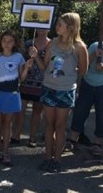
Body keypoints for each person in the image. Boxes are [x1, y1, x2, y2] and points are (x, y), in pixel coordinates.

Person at [32, 12, 88, 173]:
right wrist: (36, 56)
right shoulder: (52, 44)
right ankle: (47, 158)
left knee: (60, 126)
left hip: (66, 90)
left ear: (70, 28)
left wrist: (68, 72)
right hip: (49, 88)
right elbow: (44, 67)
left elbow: (83, 71)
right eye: (57, 24)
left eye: (59, 25)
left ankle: (57, 160)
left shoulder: (80, 47)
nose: (56, 27)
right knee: (49, 125)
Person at [0, 30, 29, 166]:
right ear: (1, 42)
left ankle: (6, 153)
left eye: (10, 41)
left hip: (12, 94)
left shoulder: (18, 57)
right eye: (4, 40)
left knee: (8, 124)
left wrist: (27, 67)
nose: (7, 43)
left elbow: (21, 79)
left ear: (15, 43)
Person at [12, 29, 50, 147]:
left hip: (42, 82)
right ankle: (16, 135)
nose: (40, 29)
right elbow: (22, 61)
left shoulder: (51, 44)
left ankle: (32, 137)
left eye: (43, 27)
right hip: (26, 80)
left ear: (48, 28)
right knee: (20, 109)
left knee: (37, 110)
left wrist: (36, 55)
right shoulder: (29, 43)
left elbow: (45, 66)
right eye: (38, 26)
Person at [65, 41, 103, 157]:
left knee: (101, 115)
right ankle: (72, 140)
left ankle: (97, 144)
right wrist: (94, 55)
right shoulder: (95, 46)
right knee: (80, 111)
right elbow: (84, 65)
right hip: (88, 83)